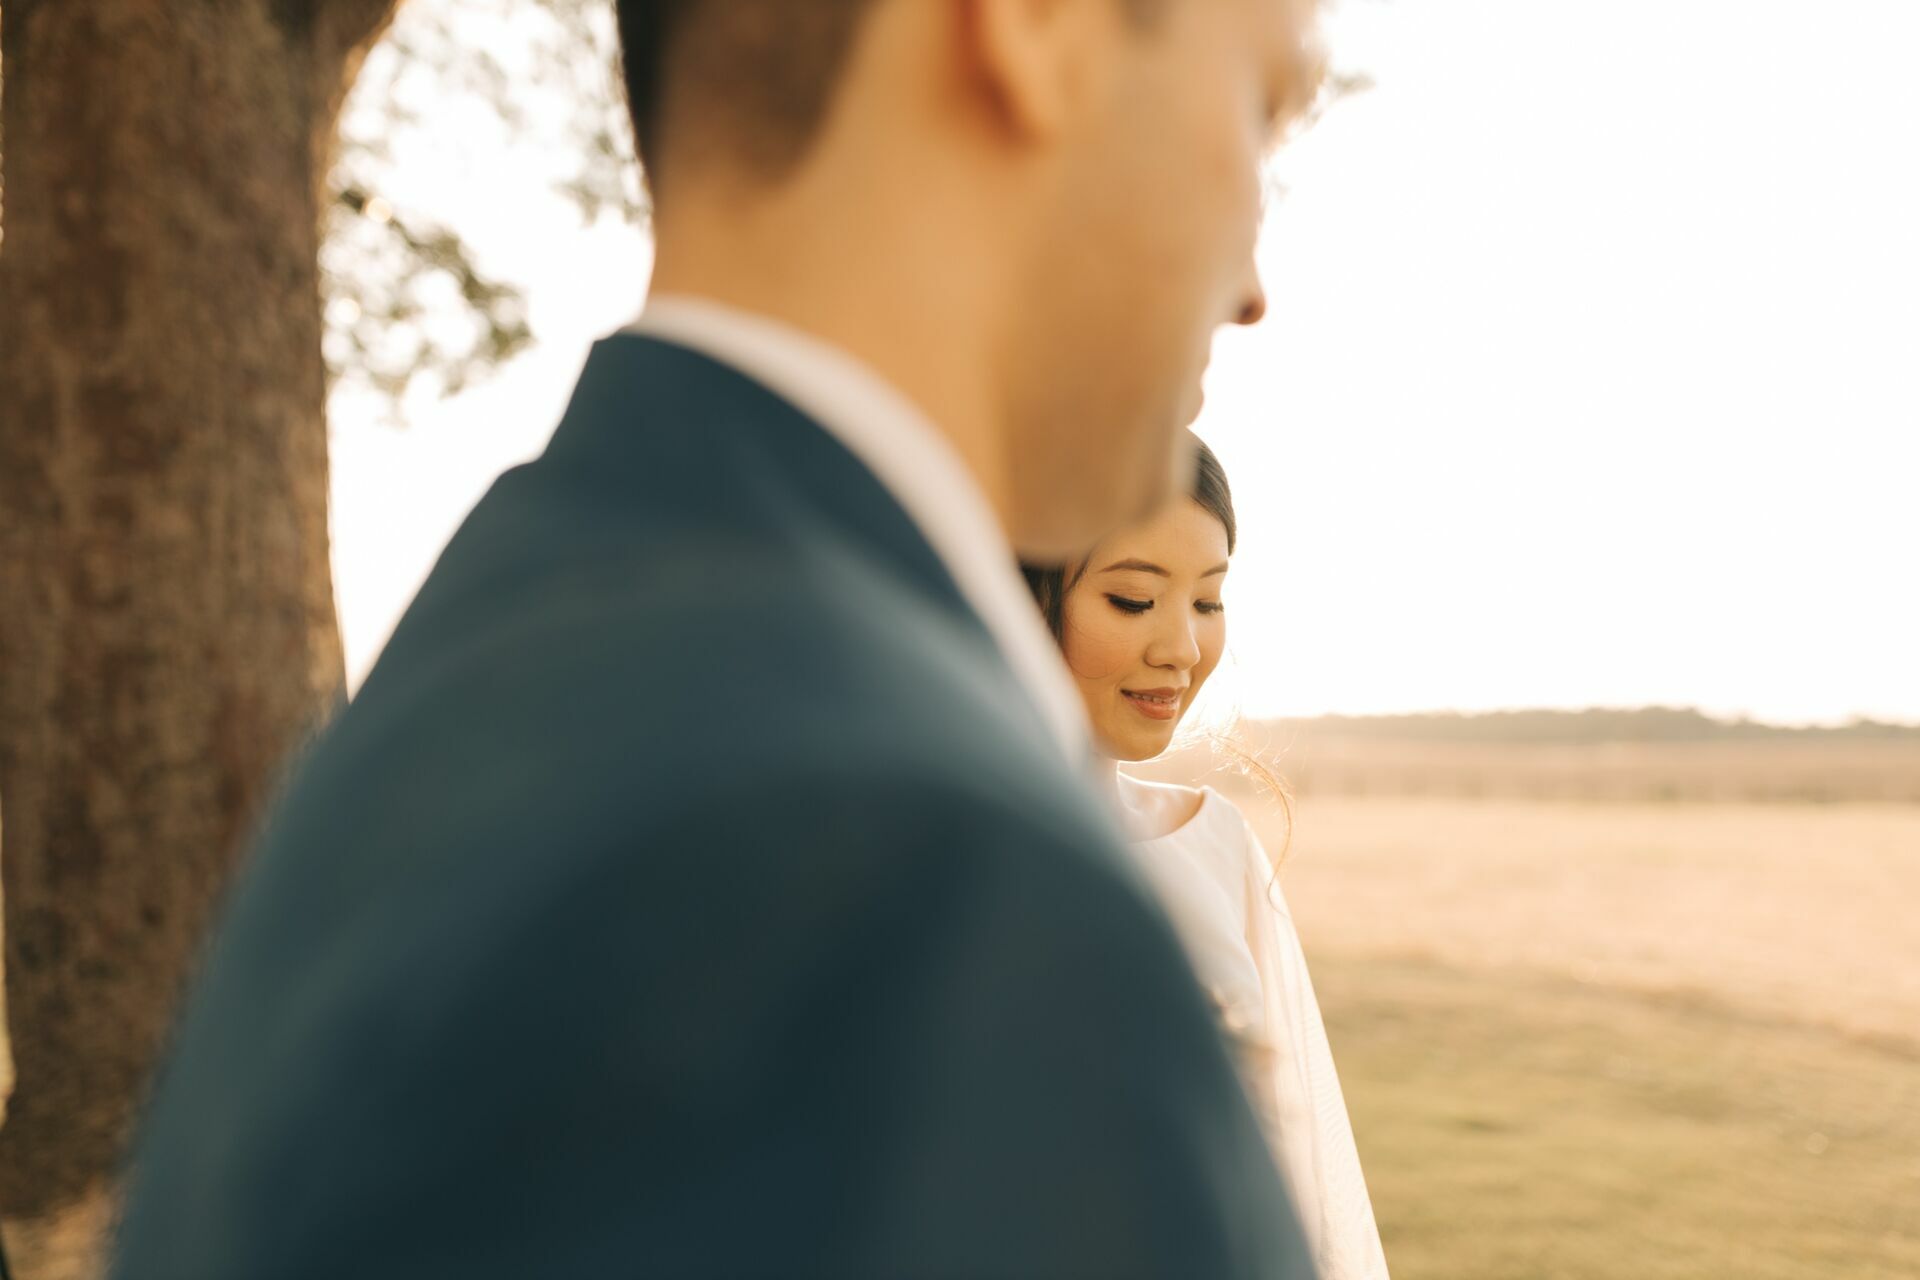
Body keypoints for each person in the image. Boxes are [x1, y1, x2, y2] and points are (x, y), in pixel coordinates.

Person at [113, 1, 1329, 1276]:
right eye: (1257, 108)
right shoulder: (905, 873)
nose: (1253, 286)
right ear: (1038, 31)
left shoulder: (495, 674)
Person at [1025, 440, 1391, 1279]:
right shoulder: (930, 856)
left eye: (1210, 600)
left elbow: (1300, 1154)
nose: (1182, 649)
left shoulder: (1213, 843)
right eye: (1133, 599)